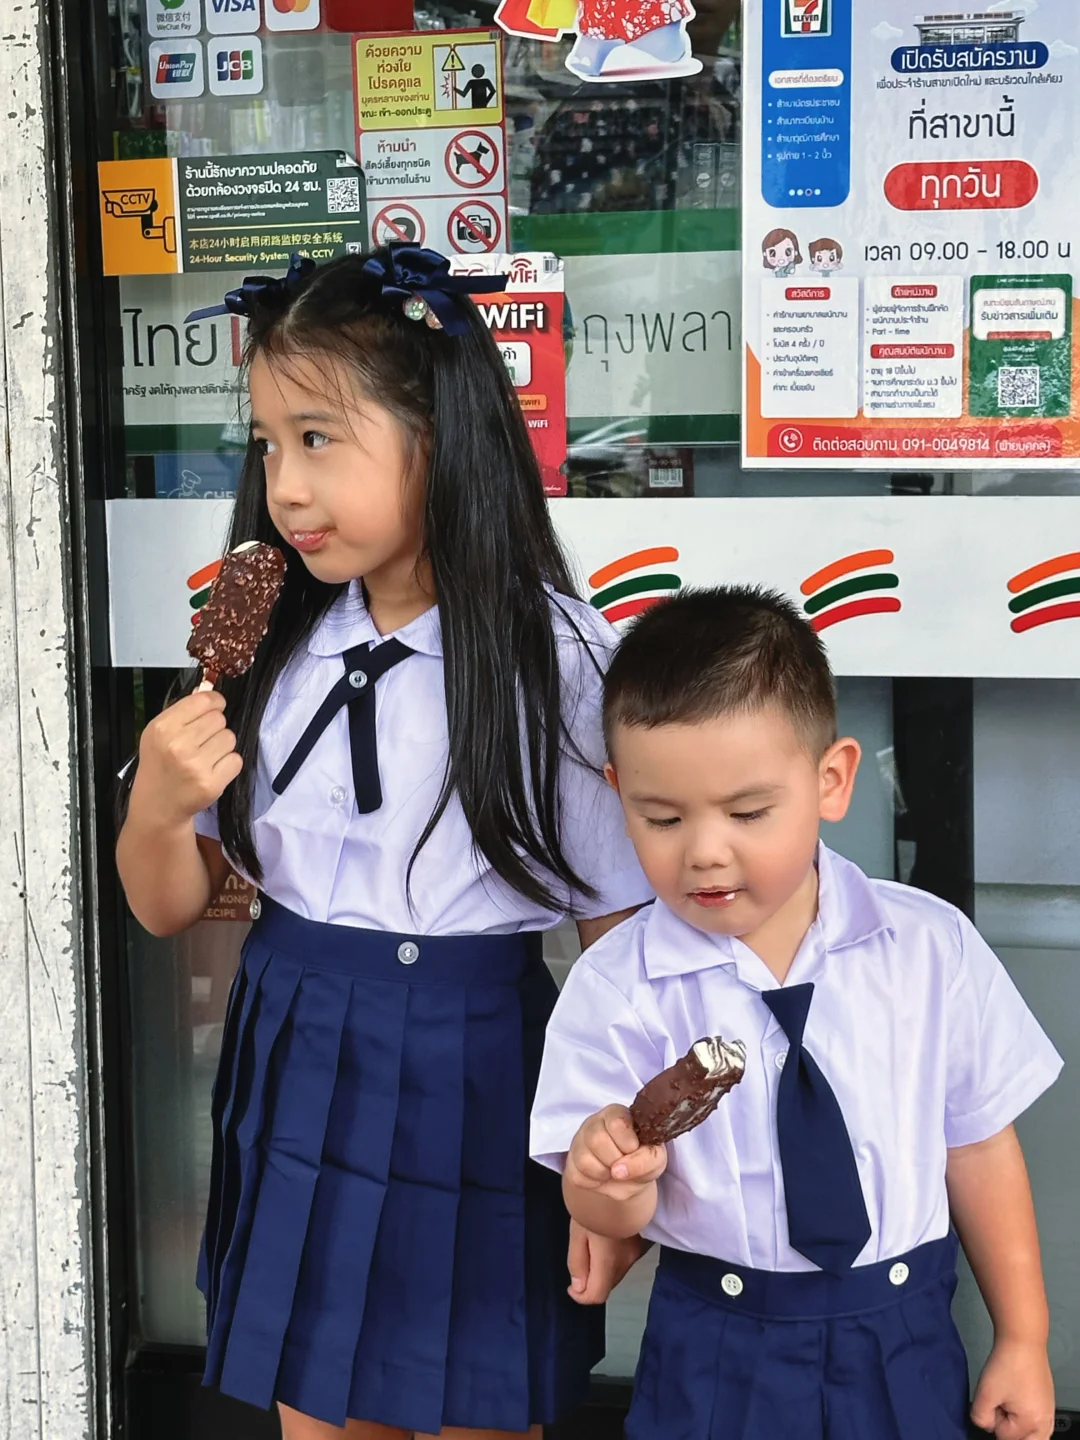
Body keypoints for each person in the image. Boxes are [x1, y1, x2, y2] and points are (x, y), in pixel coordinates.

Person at [115, 244, 654, 1440]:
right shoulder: (265, 647)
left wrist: (607, 1175)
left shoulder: (560, 666)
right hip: (296, 1043)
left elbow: (623, 937)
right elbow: (168, 902)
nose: (284, 486)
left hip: (481, 1064)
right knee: (319, 1403)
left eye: (319, 438)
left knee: (476, 1401)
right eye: (265, 443)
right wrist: (156, 804)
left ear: (441, 437)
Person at [530, 586, 1063, 1440]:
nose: (704, 850)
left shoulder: (928, 949)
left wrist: (1025, 1335)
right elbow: (609, 1220)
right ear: (617, 791)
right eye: (660, 817)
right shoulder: (617, 985)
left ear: (832, 779)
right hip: (714, 1340)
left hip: (902, 1335)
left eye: (747, 813)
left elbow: (979, 1145)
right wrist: (604, 1182)